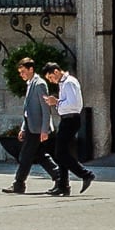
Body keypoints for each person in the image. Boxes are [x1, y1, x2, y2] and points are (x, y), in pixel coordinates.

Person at [8, 57, 67, 197]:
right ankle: (60, 179)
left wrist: (44, 129)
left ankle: (19, 184)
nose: (21, 74)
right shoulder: (30, 84)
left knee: (25, 156)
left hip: (37, 127)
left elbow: (46, 109)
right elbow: (28, 110)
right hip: (31, 126)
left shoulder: (39, 84)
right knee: (40, 155)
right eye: (20, 72)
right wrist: (23, 127)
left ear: (31, 69)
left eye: (23, 71)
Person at [41, 62, 94, 192]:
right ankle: (63, 185)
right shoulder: (64, 83)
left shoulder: (69, 82)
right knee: (61, 152)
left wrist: (56, 102)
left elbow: (74, 104)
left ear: (56, 71)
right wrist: (57, 102)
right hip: (66, 119)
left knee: (60, 153)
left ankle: (85, 174)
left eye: (51, 77)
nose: (51, 81)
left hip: (71, 119)